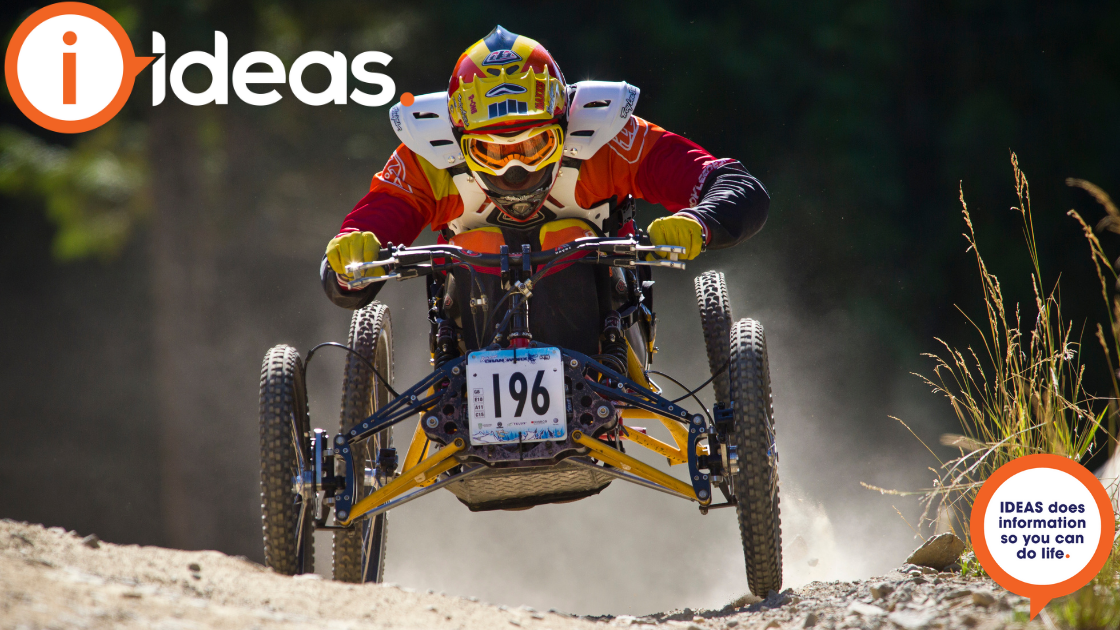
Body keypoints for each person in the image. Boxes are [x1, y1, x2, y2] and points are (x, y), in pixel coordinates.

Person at [322, 26, 769, 355]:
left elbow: (733, 183)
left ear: (564, 126)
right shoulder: (427, 158)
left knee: (565, 238)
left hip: (602, 331)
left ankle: (600, 369)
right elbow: (374, 222)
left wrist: (698, 222)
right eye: (493, 151)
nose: (515, 168)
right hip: (469, 337)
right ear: (459, 143)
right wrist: (352, 253)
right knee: (479, 242)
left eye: (534, 145)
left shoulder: (609, 137)